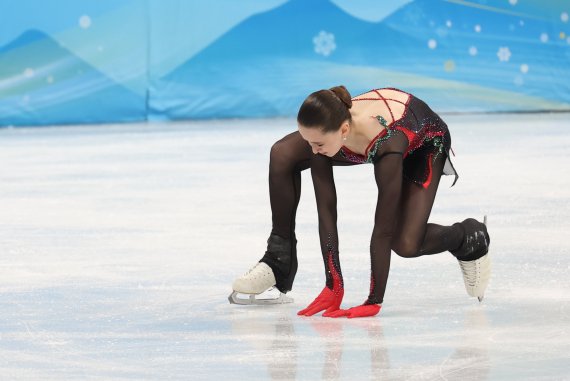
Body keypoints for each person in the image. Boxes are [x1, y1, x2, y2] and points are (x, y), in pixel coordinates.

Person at [229, 86, 491, 317]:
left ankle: (468, 236)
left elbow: (383, 229)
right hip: (359, 136)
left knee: (406, 243)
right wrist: (334, 285)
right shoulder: (326, 134)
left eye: (317, 143)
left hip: (423, 142)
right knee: (283, 153)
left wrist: (374, 300)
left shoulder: (388, 143)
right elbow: (326, 210)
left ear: (343, 130)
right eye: (308, 141)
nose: (312, 151)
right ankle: (278, 261)